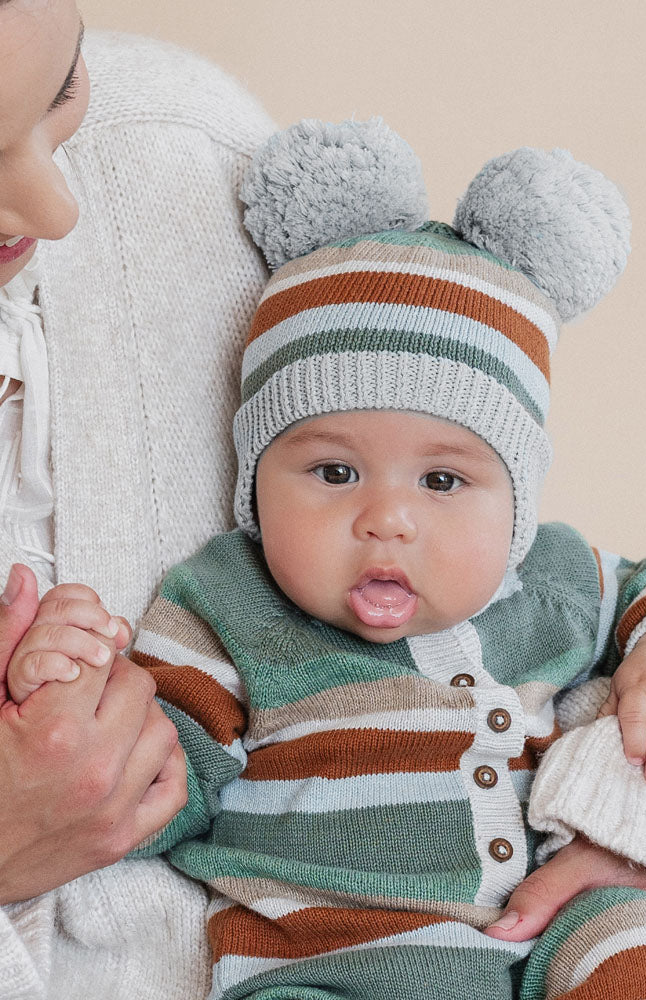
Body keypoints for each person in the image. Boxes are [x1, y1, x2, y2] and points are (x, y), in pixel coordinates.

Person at [0, 2, 646, 995]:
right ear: (257, 476)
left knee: (635, 948)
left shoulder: (540, 574)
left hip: (550, 931)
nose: (388, 517)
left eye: (61, 87)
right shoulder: (224, 604)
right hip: (328, 958)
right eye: (331, 473)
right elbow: (150, 783)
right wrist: (66, 701)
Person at [0, 0, 275, 995]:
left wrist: (637, 860)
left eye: (61, 87)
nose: (59, 209)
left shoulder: (190, 150)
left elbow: (477, 584)